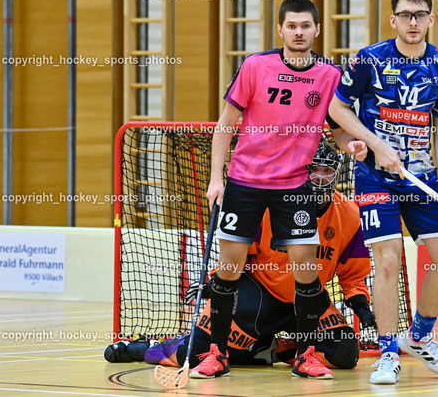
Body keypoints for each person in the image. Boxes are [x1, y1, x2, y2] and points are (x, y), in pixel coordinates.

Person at [104, 139, 375, 374]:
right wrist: (216, 285)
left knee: (345, 353)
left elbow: (352, 273)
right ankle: (150, 347)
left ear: (337, 173)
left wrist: (361, 306)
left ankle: (274, 350)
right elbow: (235, 257)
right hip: (257, 296)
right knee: (198, 352)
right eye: (313, 169)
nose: (319, 177)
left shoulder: (349, 214)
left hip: (309, 300)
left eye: (326, 171)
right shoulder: (271, 202)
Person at [205, 0, 366, 380]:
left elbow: (339, 128)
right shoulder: (255, 67)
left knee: (306, 271)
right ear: (280, 30)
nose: (298, 32)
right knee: (228, 269)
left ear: (317, 30)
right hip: (245, 182)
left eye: (305, 26)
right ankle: (217, 352)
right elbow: (225, 125)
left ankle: (305, 354)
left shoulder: (329, 76)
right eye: (291, 26)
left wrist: (354, 145)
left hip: (294, 188)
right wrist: (216, 178)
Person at [328, 0, 438, 384]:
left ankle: (418, 338)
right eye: (405, 15)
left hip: (422, 180)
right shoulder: (368, 60)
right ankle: (387, 353)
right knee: (387, 261)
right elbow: (337, 108)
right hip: (375, 176)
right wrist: (375, 145)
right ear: (394, 20)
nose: (413, 22)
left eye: (420, 15)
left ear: (431, 19)